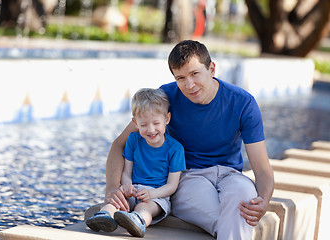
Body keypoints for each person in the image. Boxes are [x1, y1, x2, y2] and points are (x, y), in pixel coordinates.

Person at [103, 40, 274, 239]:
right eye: (181, 78)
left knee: (246, 196)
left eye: (195, 74)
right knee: (234, 218)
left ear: (211, 69)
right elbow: (119, 144)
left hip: (230, 175)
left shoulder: (243, 103)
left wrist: (264, 200)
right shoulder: (166, 98)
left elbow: (262, 168)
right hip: (189, 177)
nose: (189, 85)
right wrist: (112, 188)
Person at [86, 88, 186, 238]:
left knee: (145, 208)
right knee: (117, 200)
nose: (151, 130)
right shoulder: (133, 140)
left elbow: (172, 185)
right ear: (135, 123)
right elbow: (127, 171)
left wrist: (151, 194)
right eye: (144, 125)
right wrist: (126, 185)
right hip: (134, 189)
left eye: (156, 123)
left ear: (167, 119)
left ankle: (137, 221)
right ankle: (105, 215)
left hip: (157, 195)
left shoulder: (175, 149)